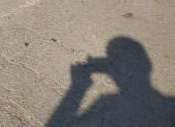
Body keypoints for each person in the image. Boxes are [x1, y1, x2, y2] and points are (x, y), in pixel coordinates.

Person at [47, 37, 175, 126]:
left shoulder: (108, 100)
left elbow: (56, 122)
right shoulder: (170, 105)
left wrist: (79, 85)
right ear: (148, 66)